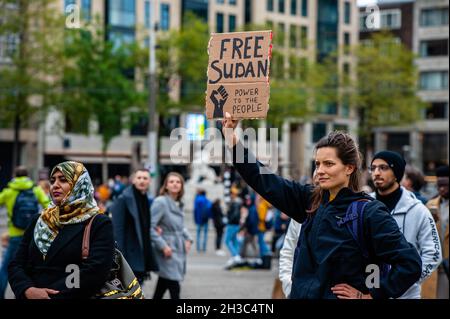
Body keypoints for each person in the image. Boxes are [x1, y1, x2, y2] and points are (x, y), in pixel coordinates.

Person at [222, 113, 422, 299]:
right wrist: (232, 140)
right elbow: (263, 178)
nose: (320, 171)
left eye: (328, 164)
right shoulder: (309, 200)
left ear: (349, 168)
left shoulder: (370, 212)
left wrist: (371, 295)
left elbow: (410, 264)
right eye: (317, 164)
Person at [7, 161, 114, 299]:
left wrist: (48, 295)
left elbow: (95, 272)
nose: (55, 185)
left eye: (63, 180)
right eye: (53, 180)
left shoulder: (98, 223)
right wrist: (27, 289)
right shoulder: (39, 220)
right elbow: (16, 264)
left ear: (79, 183)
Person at [369, 151, 441, 299]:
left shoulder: (418, 210)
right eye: (373, 168)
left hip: (406, 295)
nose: (376, 172)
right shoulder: (364, 205)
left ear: (396, 173)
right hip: (369, 292)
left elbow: (433, 253)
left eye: (383, 168)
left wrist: (409, 279)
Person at [0, 166, 50, 299]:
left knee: (6, 268)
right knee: (30, 267)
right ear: (28, 175)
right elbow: (49, 205)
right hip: (33, 234)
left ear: (14, 175)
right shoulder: (35, 189)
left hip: (15, 235)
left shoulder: (9, 191)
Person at [110, 168, 158, 285]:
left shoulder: (144, 198)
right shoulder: (123, 199)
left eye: (145, 178)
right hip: (129, 257)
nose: (142, 181)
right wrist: (121, 260)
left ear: (149, 181)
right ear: (133, 180)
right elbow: (117, 231)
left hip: (142, 253)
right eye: (139, 178)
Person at [151, 172, 193, 299]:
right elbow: (150, 227)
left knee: (163, 283)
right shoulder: (161, 202)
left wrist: (189, 239)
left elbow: (180, 227)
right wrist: (163, 246)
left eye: (178, 182)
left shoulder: (178, 203)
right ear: (166, 186)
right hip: (168, 249)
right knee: (174, 286)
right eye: (171, 182)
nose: (175, 184)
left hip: (177, 247)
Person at [423, 165, 449, 299]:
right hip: (436, 265)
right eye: (439, 185)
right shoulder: (430, 204)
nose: (442, 188)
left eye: (445, 185)